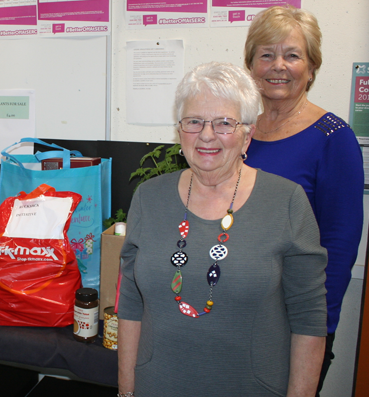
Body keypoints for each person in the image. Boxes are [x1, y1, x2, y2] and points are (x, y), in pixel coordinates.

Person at [117, 62, 328, 397]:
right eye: (194, 121)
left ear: (248, 133)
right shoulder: (149, 197)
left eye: (224, 123)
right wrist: (126, 390)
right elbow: (129, 303)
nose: (206, 135)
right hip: (156, 386)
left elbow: (309, 319)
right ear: (179, 129)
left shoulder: (286, 202)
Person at [243, 6, 364, 394]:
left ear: (311, 67)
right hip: (239, 313)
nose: (278, 65)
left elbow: (340, 245)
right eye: (266, 54)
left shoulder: (333, 136)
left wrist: (316, 329)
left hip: (295, 322)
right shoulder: (239, 131)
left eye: (292, 55)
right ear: (251, 65)